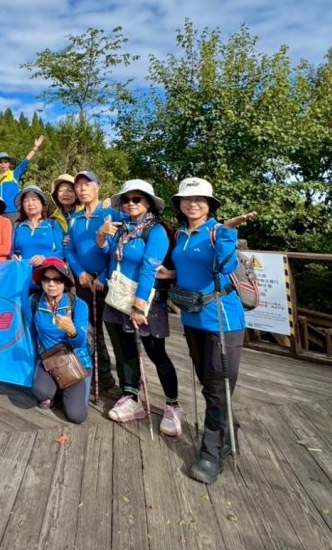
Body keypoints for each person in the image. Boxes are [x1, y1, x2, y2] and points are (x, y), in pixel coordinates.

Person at [163, 177, 242, 484]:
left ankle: (211, 453)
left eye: (199, 199)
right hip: (192, 318)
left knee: (218, 387)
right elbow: (185, 267)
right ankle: (230, 432)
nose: (192, 204)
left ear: (210, 205)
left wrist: (228, 235)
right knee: (209, 384)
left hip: (222, 319)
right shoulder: (182, 233)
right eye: (186, 199)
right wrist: (170, 272)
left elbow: (226, 267)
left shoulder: (218, 232)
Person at [97, 180, 181, 435]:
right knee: (125, 351)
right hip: (117, 299)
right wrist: (101, 234)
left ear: (148, 203)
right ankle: (131, 396)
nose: (131, 203)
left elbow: (149, 268)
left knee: (156, 353)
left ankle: (172, 405)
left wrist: (138, 305)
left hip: (143, 302)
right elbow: (110, 253)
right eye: (127, 199)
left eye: (137, 199)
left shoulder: (155, 231)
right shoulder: (123, 229)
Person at [64, 171, 117, 393]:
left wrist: (103, 276)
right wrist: (79, 272)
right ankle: (99, 376)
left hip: (108, 282)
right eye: (79, 186)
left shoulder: (109, 214)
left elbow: (117, 251)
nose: (82, 189)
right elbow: (69, 249)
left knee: (114, 333)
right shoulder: (74, 219)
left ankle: (122, 385)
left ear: (98, 187)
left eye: (88, 184)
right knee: (91, 330)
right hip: (84, 282)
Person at [30, 258, 91, 424]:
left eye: (57, 279)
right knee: (40, 392)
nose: (51, 284)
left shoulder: (78, 305)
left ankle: (65, 389)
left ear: (65, 282)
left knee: (76, 416)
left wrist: (71, 331)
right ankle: (53, 391)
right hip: (49, 359)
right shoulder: (34, 302)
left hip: (75, 361)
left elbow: (79, 343)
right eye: (46, 279)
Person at [0, 135, 44, 221]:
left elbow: (25, 162)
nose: (3, 164)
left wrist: (35, 148)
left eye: (6, 162)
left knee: (14, 234)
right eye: (1, 162)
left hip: (13, 212)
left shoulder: (14, 174)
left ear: (9, 164)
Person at [12, 186, 64, 267]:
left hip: (47, 274)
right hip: (24, 274)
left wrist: (44, 258)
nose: (30, 203)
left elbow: (61, 252)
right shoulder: (18, 226)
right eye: (26, 200)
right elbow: (12, 251)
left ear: (42, 204)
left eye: (34, 199)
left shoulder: (52, 225)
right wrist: (13, 256)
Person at [50, 174, 79, 239]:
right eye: (61, 190)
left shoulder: (86, 213)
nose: (65, 194)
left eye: (70, 190)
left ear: (76, 195)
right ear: (56, 195)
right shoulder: (53, 219)